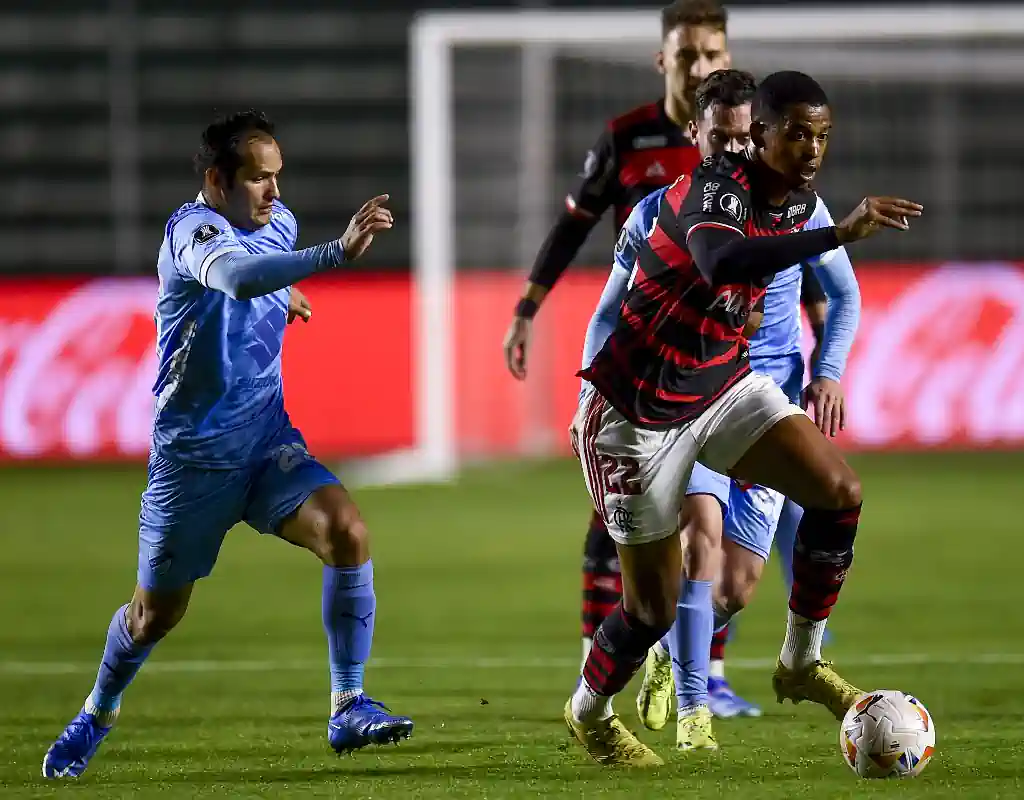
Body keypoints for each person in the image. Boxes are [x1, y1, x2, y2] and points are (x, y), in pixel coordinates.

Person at [565, 71, 922, 767]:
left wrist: (822, 349)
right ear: (759, 136)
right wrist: (836, 236)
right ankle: (589, 713)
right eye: (796, 134)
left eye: (821, 136)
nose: (811, 149)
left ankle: (800, 662)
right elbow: (720, 257)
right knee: (651, 612)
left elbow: (817, 291)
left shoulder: (801, 203)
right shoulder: (715, 187)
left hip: (724, 386)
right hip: (635, 413)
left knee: (839, 491)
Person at [42, 111, 412, 779]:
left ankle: (348, 703)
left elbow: (260, 277)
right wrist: (333, 256)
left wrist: (289, 290)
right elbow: (237, 278)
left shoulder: (279, 222)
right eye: (257, 179)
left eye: (277, 177)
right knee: (155, 615)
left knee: (347, 531)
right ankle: (98, 710)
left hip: (266, 441)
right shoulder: (192, 232)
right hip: (193, 461)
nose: (272, 192)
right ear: (217, 180)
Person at [499, 0, 758, 711]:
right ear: (663, 60)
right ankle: (595, 657)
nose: (701, 66)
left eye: (712, 55)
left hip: (716, 361)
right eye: (688, 56)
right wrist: (527, 309)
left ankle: (708, 675)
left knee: (715, 513)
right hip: (639, 359)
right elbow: (572, 226)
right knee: (615, 511)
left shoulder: (749, 144)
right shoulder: (628, 139)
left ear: (726, 59)